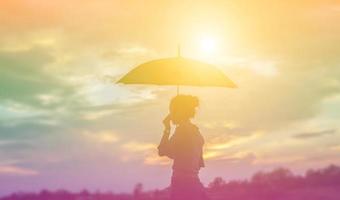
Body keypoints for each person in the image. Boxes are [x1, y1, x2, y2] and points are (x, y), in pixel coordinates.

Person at [158, 95, 208, 200]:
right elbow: (197, 162)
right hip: (195, 184)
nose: (170, 114)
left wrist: (167, 128)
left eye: (171, 110)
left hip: (181, 185)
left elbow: (162, 151)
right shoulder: (196, 132)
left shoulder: (182, 131)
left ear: (178, 111)